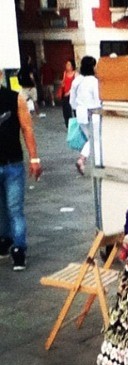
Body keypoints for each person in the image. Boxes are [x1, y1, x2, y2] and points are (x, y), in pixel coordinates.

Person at [0, 69, 42, 271]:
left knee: (14, 208)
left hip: (13, 163)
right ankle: (5, 239)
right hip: (10, 162)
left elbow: (27, 128)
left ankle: (18, 249)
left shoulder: (15, 98)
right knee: (2, 208)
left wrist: (34, 158)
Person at [69, 56, 101, 175]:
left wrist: (77, 108)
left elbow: (72, 101)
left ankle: (84, 160)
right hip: (93, 113)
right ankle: (86, 160)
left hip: (80, 113)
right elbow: (98, 99)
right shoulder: (94, 81)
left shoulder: (77, 80)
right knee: (95, 139)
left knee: (90, 138)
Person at [59, 59, 77, 128]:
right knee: (66, 110)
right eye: (66, 64)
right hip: (65, 94)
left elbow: (75, 85)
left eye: (69, 64)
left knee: (75, 110)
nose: (67, 66)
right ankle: (68, 124)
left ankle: (76, 124)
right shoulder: (65, 73)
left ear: (72, 66)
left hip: (72, 94)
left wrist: (70, 92)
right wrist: (62, 84)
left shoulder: (75, 74)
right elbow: (63, 82)